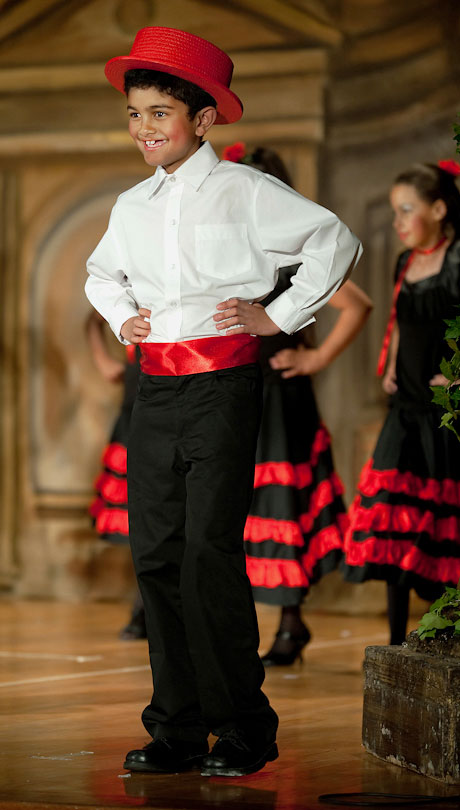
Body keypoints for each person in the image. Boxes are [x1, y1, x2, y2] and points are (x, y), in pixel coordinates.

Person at [85, 26, 362, 777]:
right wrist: (122, 319)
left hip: (222, 387)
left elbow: (334, 241)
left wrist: (280, 315)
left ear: (202, 120)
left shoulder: (246, 192)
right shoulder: (132, 206)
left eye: (160, 113)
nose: (144, 128)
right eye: (134, 113)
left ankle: (244, 729)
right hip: (156, 390)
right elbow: (99, 275)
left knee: (209, 553)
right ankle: (175, 729)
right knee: (157, 557)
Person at [222, 145, 373, 666]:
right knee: (241, 506)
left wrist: (316, 359)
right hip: (238, 387)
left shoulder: (290, 249)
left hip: (281, 395)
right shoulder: (231, 245)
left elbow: (356, 303)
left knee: (281, 505)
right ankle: (275, 623)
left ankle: (290, 621)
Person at [342, 160, 460, 645]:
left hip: (444, 412)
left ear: (438, 208)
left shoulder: (457, 259)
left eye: (407, 210)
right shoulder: (406, 261)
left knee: (441, 520)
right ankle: (393, 642)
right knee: (392, 512)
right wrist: (390, 364)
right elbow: (399, 320)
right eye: (394, 211)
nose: (398, 222)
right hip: (405, 407)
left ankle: (444, 630)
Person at [86, 310, 146, 640]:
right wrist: (104, 362)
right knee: (140, 512)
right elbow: (93, 318)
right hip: (136, 403)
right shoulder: (131, 276)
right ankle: (143, 605)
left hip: (172, 395)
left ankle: (149, 606)